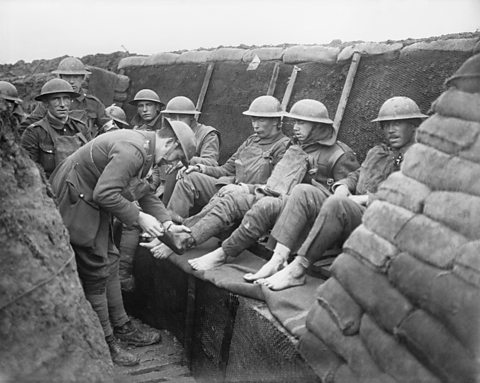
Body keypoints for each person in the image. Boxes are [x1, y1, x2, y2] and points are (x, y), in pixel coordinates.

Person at [144, 99, 360, 268]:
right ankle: (176, 237)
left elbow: (347, 198)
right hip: (277, 198)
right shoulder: (296, 147)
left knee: (238, 199)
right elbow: (265, 180)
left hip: (304, 213)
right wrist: (203, 169)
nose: (296, 127)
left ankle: (188, 243)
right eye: (295, 121)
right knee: (224, 198)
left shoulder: (338, 154)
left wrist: (244, 187)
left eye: (302, 122)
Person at [49, 119, 195, 366]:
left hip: (89, 196)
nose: (172, 162)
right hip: (76, 197)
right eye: (177, 156)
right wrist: (139, 217)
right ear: (170, 143)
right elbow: (105, 193)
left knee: (112, 259)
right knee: (96, 266)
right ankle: (105, 342)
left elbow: (141, 192)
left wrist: (166, 223)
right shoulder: (134, 150)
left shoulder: (143, 147)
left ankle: (122, 325)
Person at [253, 96, 427, 290]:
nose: (390, 130)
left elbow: (413, 200)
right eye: (386, 125)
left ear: (414, 125)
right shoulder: (380, 152)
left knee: (338, 204)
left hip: (384, 225)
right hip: (357, 217)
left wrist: (363, 199)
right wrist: (343, 186)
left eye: (398, 124)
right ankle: (278, 259)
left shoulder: (422, 158)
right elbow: (358, 174)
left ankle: (297, 270)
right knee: (304, 191)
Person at [166, 95, 290, 218]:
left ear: (275, 120)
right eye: (253, 120)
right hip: (231, 187)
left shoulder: (284, 147)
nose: (255, 125)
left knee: (213, 209)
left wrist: (245, 189)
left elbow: (275, 188)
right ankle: (170, 224)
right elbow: (226, 170)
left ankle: (184, 232)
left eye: (261, 120)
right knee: (189, 178)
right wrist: (201, 168)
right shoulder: (251, 141)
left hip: (252, 198)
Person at [21, 78, 91, 177]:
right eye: (56, 99)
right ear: (46, 104)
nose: (62, 104)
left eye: (66, 98)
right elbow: (29, 172)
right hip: (49, 189)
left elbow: (91, 162)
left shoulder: (81, 128)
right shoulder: (34, 132)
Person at [23, 57, 109, 136]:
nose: (71, 81)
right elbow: (26, 128)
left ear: (83, 78)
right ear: (60, 77)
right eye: (67, 76)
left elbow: (110, 127)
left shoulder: (93, 104)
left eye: (76, 77)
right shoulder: (48, 103)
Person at [160, 95, 221, 205]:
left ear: (192, 117)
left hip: (194, 187)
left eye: (182, 117)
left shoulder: (207, 134)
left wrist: (187, 161)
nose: (178, 121)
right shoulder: (168, 133)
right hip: (163, 185)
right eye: (173, 117)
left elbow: (212, 163)